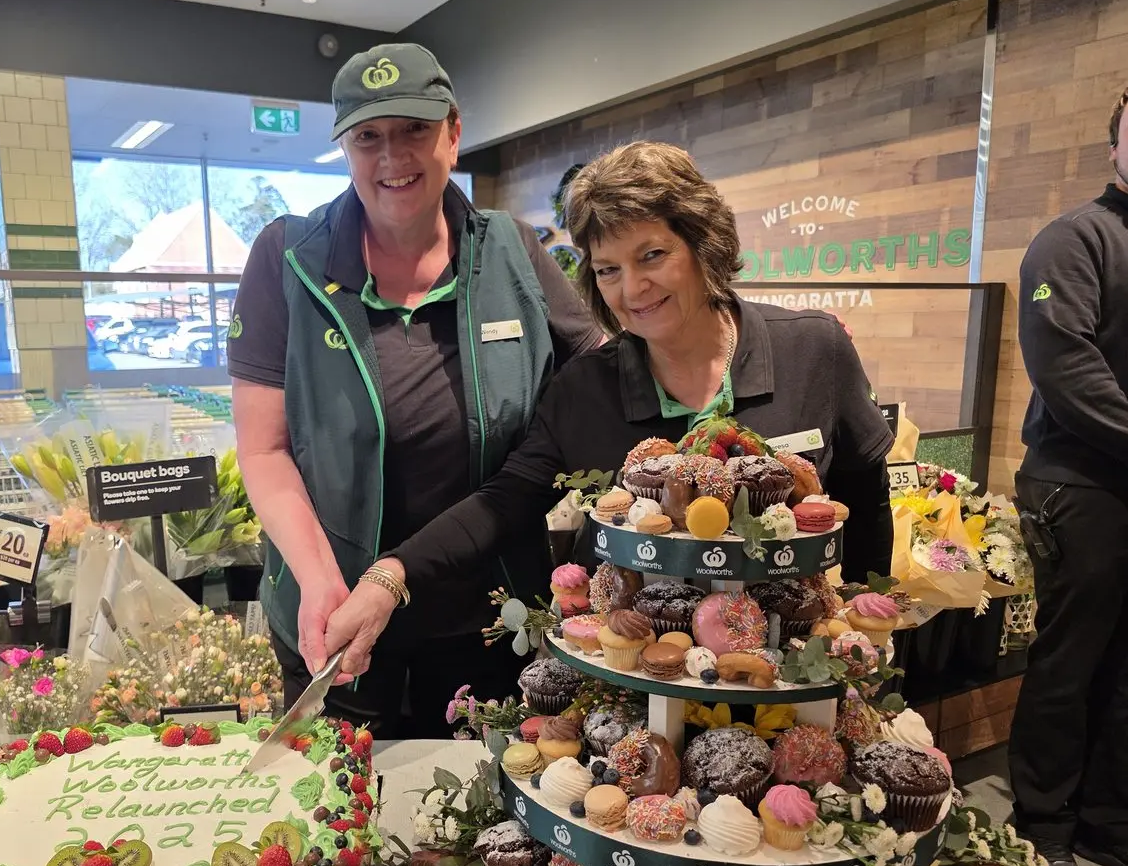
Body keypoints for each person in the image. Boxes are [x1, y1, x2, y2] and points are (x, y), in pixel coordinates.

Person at [322, 140, 895, 683]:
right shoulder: (585, 391)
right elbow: (505, 500)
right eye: (607, 269)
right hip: (636, 689)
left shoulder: (814, 349)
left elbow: (866, 502)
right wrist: (390, 575)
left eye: (653, 255)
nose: (633, 288)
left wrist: (871, 632)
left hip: (786, 671)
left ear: (703, 245)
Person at [228, 43, 600, 738]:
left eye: (413, 130)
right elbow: (264, 448)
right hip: (335, 616)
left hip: (486, 618)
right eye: (368, 136)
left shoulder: (514, 253)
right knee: (340, 818)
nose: (392, 156)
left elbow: (604, 378)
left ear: (453, 133)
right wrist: (315, 578)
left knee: (473, 826)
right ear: (344, 147)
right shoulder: (286, 259)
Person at [1007, 86, 1128, 866]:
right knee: (1072, 660)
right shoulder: (1074, 239)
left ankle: (1108, 819)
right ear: (1117, 140)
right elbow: (1067, 366)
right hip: (1080, 482)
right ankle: (1044, 825)